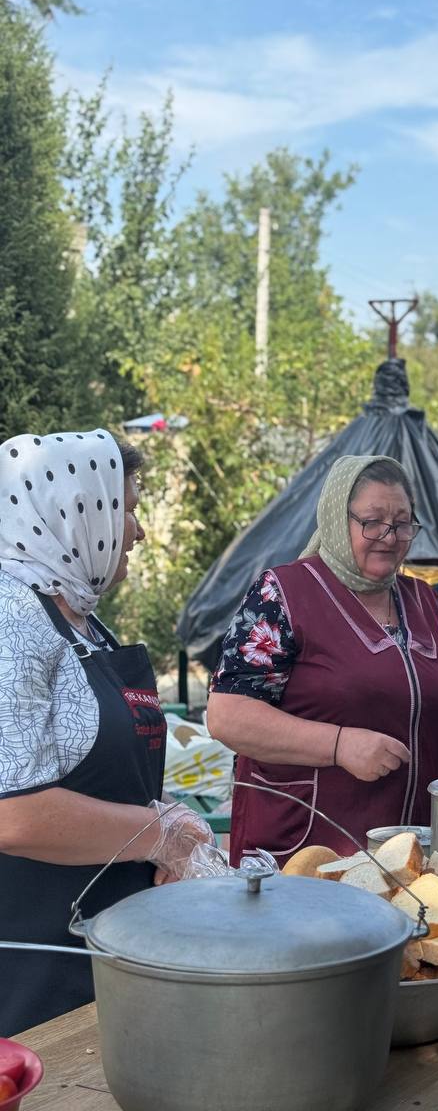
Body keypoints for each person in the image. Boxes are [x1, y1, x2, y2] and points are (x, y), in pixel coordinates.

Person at [0, 429, 213, 1037]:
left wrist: (171, 818)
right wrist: (159, 836)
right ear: (76, 512)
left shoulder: (81, 621)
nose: (138, 532)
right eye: (128, 510)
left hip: (106, 944)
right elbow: (12, 814)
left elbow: (105, 772)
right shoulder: (11, 622)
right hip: (35, 968)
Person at [207, 454, 438, 862]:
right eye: (373, 521)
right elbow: (228, 716)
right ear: (336, 519)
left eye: (402, 523)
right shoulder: (284, 594)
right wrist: (339, 745)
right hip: (306, 850)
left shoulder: (426, 602)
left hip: (413, 856)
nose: (389, 536)